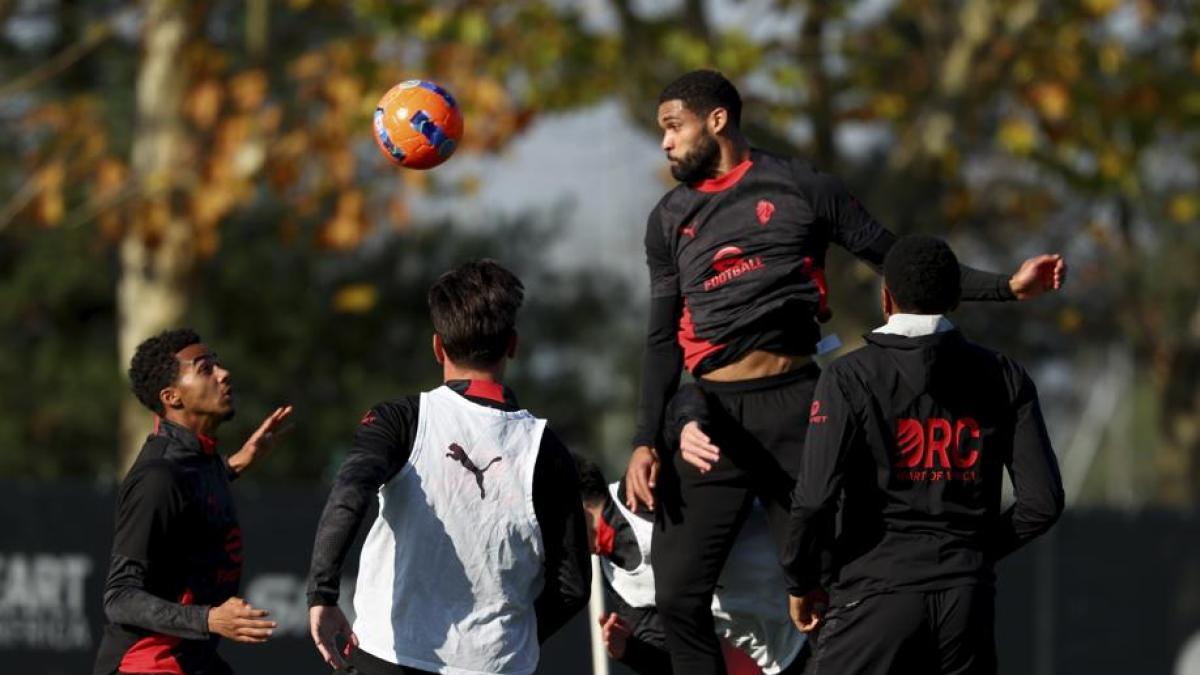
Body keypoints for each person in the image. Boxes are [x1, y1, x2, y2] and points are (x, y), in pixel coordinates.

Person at [624, 69, 1066, 675]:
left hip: (799, 406)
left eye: (674, 127)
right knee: (677, 596)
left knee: (825, 584)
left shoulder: (803, 186)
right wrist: (647, 438)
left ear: (717, 120)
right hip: (714, 421)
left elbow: (900, 261)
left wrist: (1006, 289)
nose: (666, 143)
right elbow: (659, 339)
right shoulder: (668, 218)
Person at [783, 235, 1065, 674]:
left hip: (873, 595)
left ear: (886, 296)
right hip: (965, 606)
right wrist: (969, 553)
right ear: (954, 299)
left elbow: (815, 499)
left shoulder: (847, 378)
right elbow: (1042, 504)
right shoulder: (1006, 376)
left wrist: (800, 580)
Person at [306, 260, 591, 675]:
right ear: (513, 344)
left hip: (389, 655)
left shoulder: (399, 419)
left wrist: (322, 594)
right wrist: (513, 637)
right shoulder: (547, 449)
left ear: (438, 346)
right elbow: (572, 585)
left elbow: (349, 493)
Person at [94, 328, 293, 675]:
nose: (223, 373)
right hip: (149, 664)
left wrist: (236, 464)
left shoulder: (198, 459)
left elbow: (189, 497)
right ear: (172, 397)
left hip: (192, 660)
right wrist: (210, 618)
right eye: (205, 369)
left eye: (217, 364)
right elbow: (119, 597)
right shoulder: (157, 477)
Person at [576, 443, 808, 675]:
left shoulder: (643, 485)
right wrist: (629, 650)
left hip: (815, 592)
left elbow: (738, 462)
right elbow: (680, 656)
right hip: (783, 658)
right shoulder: (616, 581)